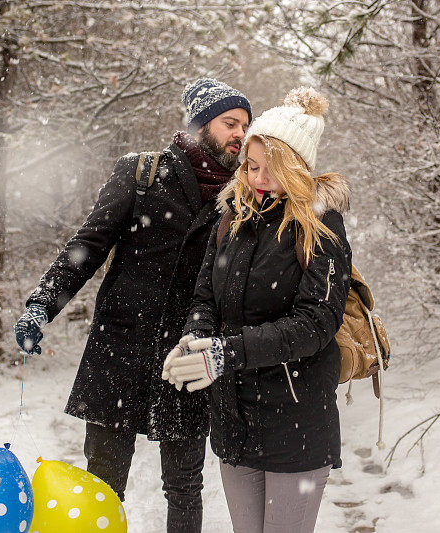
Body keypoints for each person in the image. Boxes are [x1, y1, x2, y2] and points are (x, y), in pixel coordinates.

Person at [13, 78, 251, 533]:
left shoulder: (239, 197)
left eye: (245, 125)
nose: (240, 134)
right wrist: (43, 304)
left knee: (184, 485)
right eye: (230, 123)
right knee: (100, 487)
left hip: (187, 356)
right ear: (202, 124)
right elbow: (88, 245)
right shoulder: (141, 173)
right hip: (119, 350)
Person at [163, 87, 352, 533]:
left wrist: (226, 353)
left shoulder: (321, 225)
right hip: (234, 420)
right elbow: (204, 299)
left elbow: (315, 324)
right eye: (251, 166)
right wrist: (196, 339)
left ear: (298, 169)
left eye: (273, 169)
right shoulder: (231, 218)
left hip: (297, 421)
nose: (258, 179)